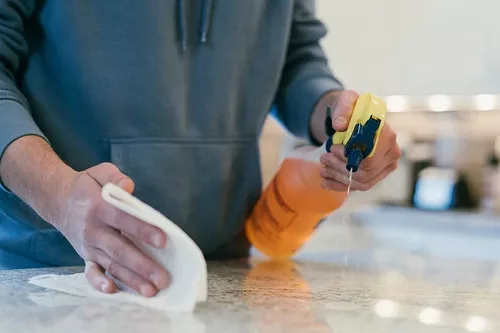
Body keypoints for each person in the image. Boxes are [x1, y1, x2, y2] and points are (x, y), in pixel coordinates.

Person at [0, 1, 401, 297]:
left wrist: (332, 114)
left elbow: (295, 57)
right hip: (57, 273)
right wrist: (59, 195)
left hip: (222, 273)